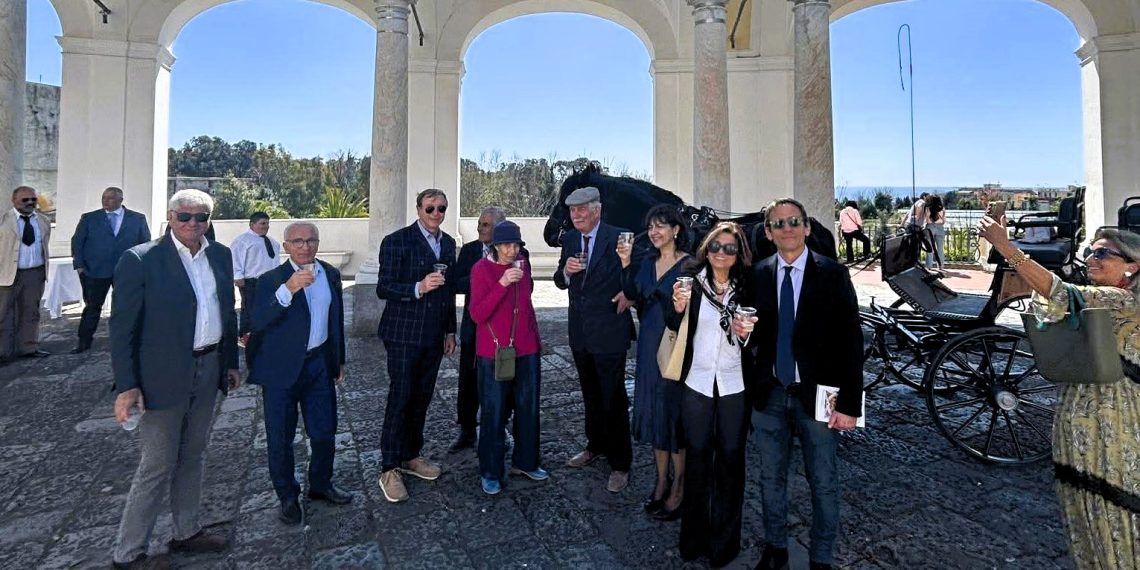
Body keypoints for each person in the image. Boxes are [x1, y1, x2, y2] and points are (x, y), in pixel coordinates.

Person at [978, 220, 1140, 570]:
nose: (1091, 259)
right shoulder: (1108, 298)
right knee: (1084, 505)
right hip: (1082, 414)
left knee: (1110, 507)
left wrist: (1007, 248)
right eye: (1089, 252)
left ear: (1132, 265)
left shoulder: (1125, 301)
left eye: (1102, 253)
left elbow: (1059, 292)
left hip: (1111, 420)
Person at [110, 189, 241, 569]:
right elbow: (123, 329)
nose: (193, 224)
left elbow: (225, 312)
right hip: (162, 376)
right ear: (170, 217)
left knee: (193, 455)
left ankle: (186, 532)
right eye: (184, 217)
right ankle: (128, 552)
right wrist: (127, 385)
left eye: (201, 218)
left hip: (209, 366)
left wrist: (230, 362)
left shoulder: (219, 254)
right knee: (157, 464)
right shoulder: (141, 259)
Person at [747, 198, 863, 570]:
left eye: (794, 221)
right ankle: (775, 547)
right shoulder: (758, 274)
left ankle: (821, 556)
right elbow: (752, 337)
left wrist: (849, 405)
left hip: (819, 397)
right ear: (768, 233)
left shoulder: (832, 274)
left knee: (824, 480)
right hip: (771, 394)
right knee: (769, 478)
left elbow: (850, 341)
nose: (788, 228)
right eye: (778, 224)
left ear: (808, 227)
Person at [665, 221, 755, 567]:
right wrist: (675, 308)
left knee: (731, 465)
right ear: (706, 248)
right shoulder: (691, 283)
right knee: (698, 461)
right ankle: (693, 539)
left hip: (734, 386)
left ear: (739, 254)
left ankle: (724, 544)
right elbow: (672, 327)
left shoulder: (747, 288)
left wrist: (745, 333)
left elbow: (756, 341)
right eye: (716, 246)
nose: (721, 253)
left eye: (730, 248)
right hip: (697, 384)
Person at [249, 222, 350, 525]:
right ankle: (288, 496)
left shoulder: (330, 274)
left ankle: (320, 484)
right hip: (281, 368)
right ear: (285, 246)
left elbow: (335, 320)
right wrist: (288, 289)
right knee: (280, 436)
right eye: (297, 241)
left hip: (318, 363)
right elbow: (257, 321)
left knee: (324, 431)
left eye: (310, 241)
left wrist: (338, 360)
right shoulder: (269, 279)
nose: (305, 247)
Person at [375, 188, 457, 502]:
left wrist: (450, 330)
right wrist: (418, 287)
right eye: (430, 208)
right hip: (403, 333)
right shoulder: (396, 241)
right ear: (419, 209)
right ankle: (389, 467)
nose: (436, 214)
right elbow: (384, 287)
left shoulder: (448, 244)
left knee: (422, 397)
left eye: (441, 209)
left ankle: (411, 455)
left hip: (434, 335)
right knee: (401, 396)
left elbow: (449, 294)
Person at [553, 186, 635, 493]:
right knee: (589, 393)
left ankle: (620, 463)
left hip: (610, 331)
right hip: (581, 332)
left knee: (613, 397)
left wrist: (629, 292)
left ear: (597, 210)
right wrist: (565, 271)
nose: (576, 215)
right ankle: (594, 445)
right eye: (573, 211)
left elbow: (634, 277)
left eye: (582, 209)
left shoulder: (620, 237)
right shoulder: (571, 239)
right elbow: (560, 283)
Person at [617, 204, 690, 520]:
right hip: (648, 344)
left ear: (676, 229)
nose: (655, 232)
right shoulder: (647, 262)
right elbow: (632, 292)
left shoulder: (691, 265)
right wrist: (625, 263)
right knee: (653, 412)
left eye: (662, 225)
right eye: (651, 227)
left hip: (675, 346)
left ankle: (680, 486)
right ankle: (661, 480)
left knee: (673, 415)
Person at [468, 221, 547, 494]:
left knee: (529, 408)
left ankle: (526, 461)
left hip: (526, 349)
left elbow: (525, 303)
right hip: (493, 351)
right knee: (493, 411)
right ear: (495, 246)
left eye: (516, 245)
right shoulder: (481, 270)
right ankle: (490, 470)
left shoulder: (523, 265)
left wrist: (535, 339)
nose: (512, 250)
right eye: (506, 245)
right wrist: (502, 283)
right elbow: (477, 314)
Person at [449, 206, 506, 452]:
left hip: (502, 329)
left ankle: (499, 425)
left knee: (502, 378)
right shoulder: (470, 251)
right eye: (480, 224)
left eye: (486, 225)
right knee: (469, 379)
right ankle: (467, 430)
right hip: (474, 326)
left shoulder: (514, 249)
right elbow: (456, 284)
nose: (480, 228)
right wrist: (480, 276)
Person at [70, 186, 152, 354]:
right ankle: (84, 341)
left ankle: (129, 338)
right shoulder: (89, 218)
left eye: (110, 198)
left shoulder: (137, 219)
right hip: (95, 270)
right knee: (92, 306)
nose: (105, 201)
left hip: (126, 270)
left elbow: (145, 243)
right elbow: (77, 241)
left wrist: (143, 267)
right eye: (104, 198)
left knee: (127, 306)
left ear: (120, 200)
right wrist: (79, 265)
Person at [0, 186, 51, 363]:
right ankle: (3, 351)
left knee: (31, 311)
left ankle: (29, 347)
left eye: (33, 199)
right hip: (7, 272)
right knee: (4, 313)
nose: (30, 203)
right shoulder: (4, 220)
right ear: (14, 201)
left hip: (34, 272)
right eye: (25, 200)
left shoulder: (43, 221)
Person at [230, 211, 281, 349]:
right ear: (252, 224)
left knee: (268, 307)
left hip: (269, 281)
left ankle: (263, 333)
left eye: (267, 224)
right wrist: (238, 277)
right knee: (249, 308)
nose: (266, 226)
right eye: (262, 223)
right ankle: (245, 336)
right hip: (251, 281)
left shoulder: (272, 242)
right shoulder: (243, 241)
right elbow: (235, 259)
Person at [924, 195, 948, 270]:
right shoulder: (942, 209)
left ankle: (929, 266)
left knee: (929, 248)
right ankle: (941, 266)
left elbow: (927, 220)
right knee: (940, 248)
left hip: (930, 227)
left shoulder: (928, 209)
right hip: (940, 227)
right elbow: (944, 221)